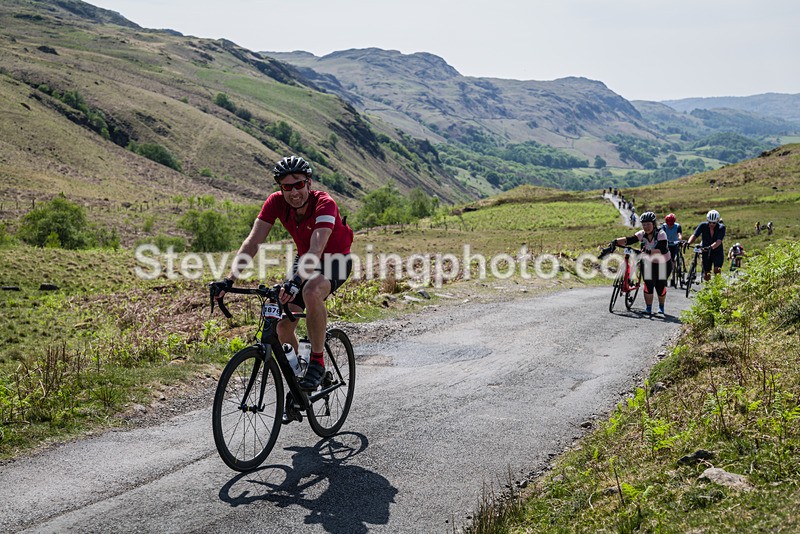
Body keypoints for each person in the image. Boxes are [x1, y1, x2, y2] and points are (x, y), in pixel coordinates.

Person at [212, 155, 354, 392]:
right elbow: (253, 242)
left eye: (298, 184)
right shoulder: (275, 202)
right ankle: (300, 374)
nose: (293, 192)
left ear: (309, 182)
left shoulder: (325, 203)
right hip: (304, 260)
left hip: (335, 259)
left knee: (310, 291)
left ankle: (317, 361)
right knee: (282, 326)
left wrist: (296, 281)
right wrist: (229, 279)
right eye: (286, 186)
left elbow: (317, 248)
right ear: (281, 188)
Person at [610, 211, 671, 315]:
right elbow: (629, 240)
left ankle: (661, 307)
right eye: (644, 224)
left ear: (653, 224)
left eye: (648, 224)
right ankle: (648, 308)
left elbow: (662, 250)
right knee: (648, 283)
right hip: (648, 262)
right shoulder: (642, 234)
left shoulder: (661, 234)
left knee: (660, 286)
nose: (646, 227)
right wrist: (615, 241)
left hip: (663, 263)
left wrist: (647, 251)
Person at [687, 210, 726, 281]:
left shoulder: (721, 227)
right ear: (707, 220)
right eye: (710, 222)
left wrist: (710, 247)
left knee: (717, 269)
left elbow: (718, 241)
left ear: (717, 221)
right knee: (707, 273)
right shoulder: (703, 225)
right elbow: (695, 235)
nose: (711, 224)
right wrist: (688, 243)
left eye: (714, 223)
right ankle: (708, 288)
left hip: (717, 251)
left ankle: (718, 286)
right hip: (705, 251)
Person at [660, 213, 683, 286]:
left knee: (673, 261)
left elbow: (679, 234)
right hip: (666, 245)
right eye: (669, 224)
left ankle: (673, 277)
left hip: (674, 245)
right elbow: (661, 234)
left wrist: (679, 239)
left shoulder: (677, 226)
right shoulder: (663, 226)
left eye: (671, 224)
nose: (670, 226)